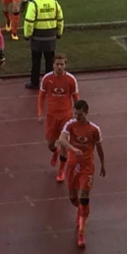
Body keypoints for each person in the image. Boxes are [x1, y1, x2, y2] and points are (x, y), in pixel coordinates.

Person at [59, 100, 106, 248]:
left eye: (80, 114)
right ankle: (80, 212)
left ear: (86, 112)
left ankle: (81, 231)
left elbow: (99, 148)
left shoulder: (94, 129)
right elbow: (61, 139)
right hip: (73, 166)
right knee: (73, 198)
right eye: (75, 113)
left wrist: (103, 165)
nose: (77, 117)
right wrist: (73, 148)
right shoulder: (70, 125)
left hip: (87, 167)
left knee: (84, 197)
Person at [37, 54, 79, 182]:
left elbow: (76, 98)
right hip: (51, 116)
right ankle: (56, 152)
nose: (59, 67)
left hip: (66, 116)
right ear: (53, 64)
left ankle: (61, 171)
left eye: (62, 64)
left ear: (65, 65)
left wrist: (78, 115)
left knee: (64, 144)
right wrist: (40, 113)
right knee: (50, 144)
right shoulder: (47, 79)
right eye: (57, 64)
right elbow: (41, 96)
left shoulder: (71, 80)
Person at [23, 0, 64, 89]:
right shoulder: (54, 3)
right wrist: (59, 33)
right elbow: (60, 19)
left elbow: (29, 21)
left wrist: (27, 35)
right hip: (51, 37)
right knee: (50, 61)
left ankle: (35, 82)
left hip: (37, 38)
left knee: (36, 62)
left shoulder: (34, 4)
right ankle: (50, 82)